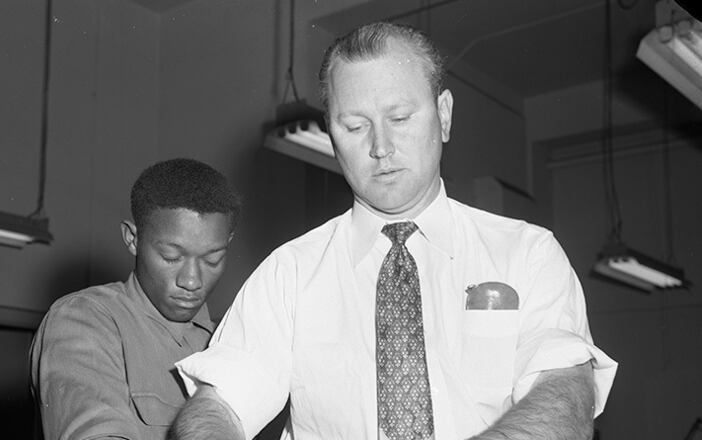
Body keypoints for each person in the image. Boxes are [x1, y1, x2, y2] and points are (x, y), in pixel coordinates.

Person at [171, 22, 617, 440]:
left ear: (443, 115)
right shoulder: (289, 274)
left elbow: (565, 394)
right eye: (355, 126)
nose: (380, 147)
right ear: (330, 133)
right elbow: (219, 406)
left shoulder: (526, 253)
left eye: (399, 118)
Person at [30, 158, 241, 440]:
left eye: (212, 260)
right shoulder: (82, 319)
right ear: (132, 239)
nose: (191, 281)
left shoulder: (228, 345)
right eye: (171, 257)